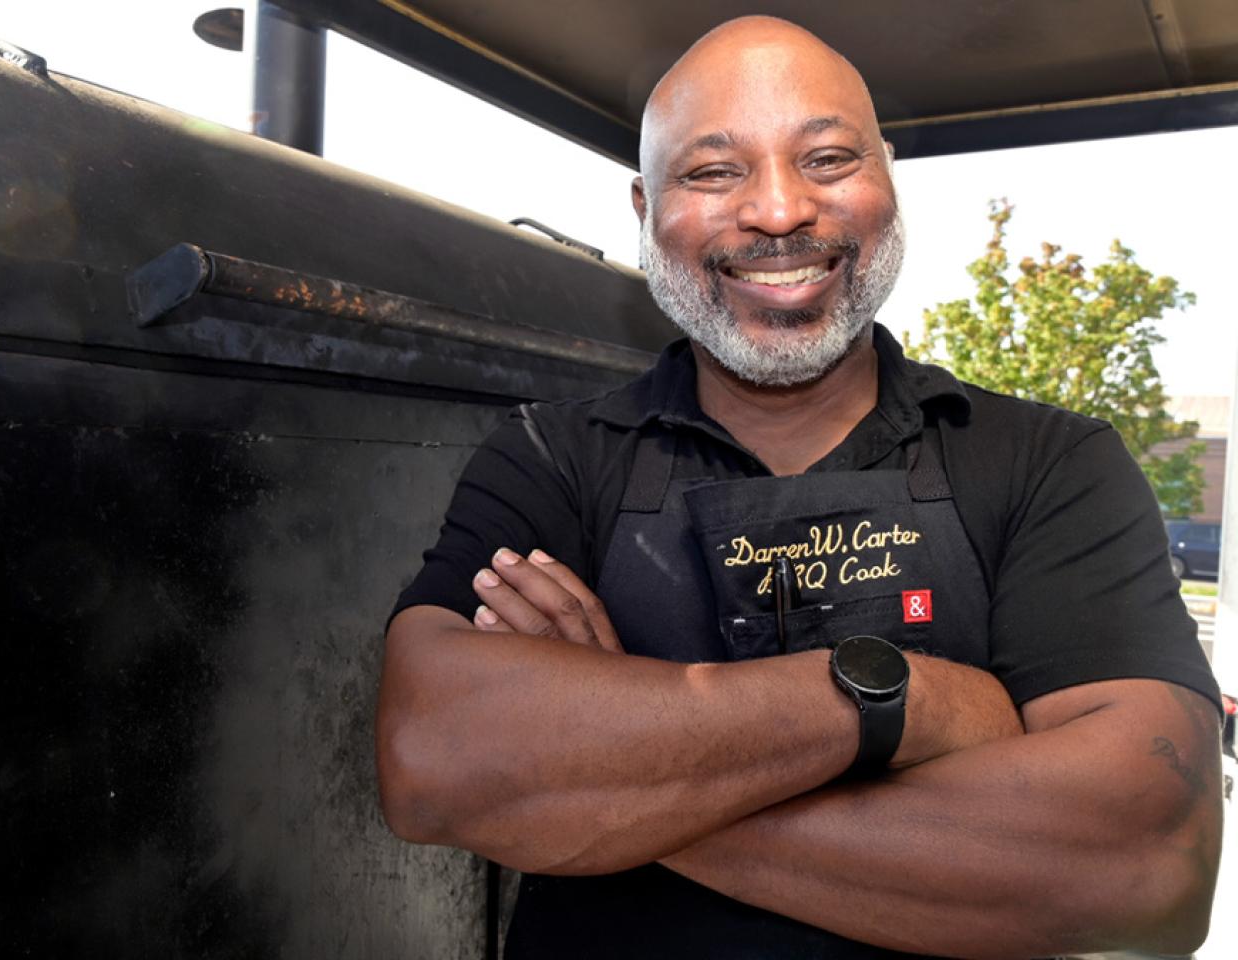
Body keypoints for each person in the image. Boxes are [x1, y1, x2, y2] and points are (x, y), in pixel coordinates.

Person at [377, 15, 1223, 959]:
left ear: (887, 181)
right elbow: (435, 763)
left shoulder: (1049, 463)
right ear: (644, 208)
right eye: (713, 172)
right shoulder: (549, 458)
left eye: (825, 160)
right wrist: (911, 704)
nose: (779, 213)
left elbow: (1147, 866)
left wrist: (604, 783)